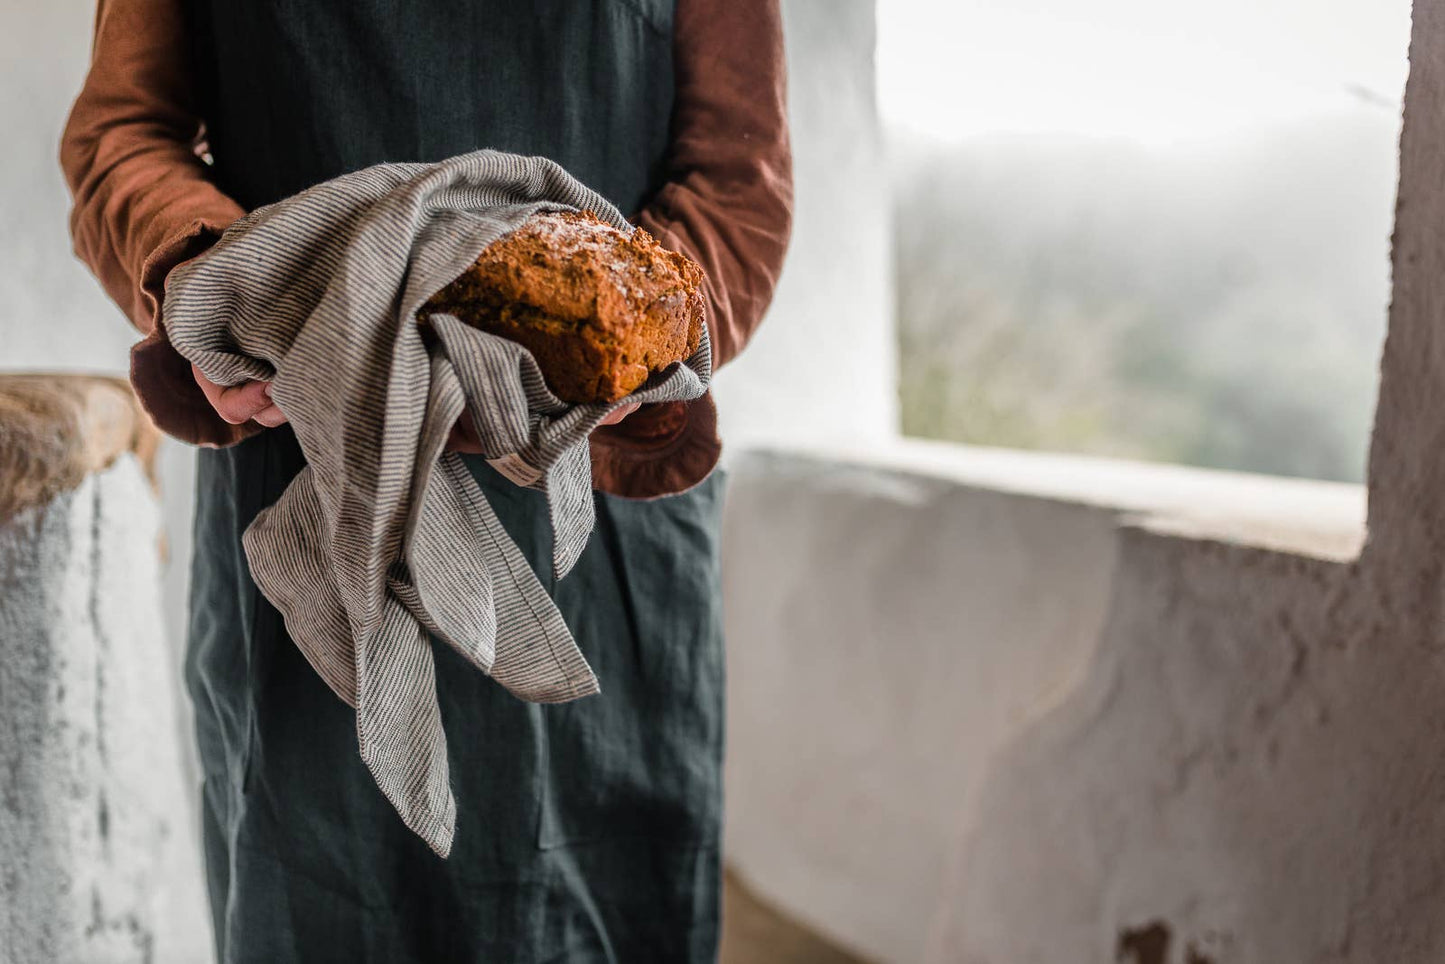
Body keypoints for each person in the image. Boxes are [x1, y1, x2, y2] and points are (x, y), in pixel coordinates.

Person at [60, 0, 792, 960]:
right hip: (310, 474)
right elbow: (123, 133)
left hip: (601, 519)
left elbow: (739, 178)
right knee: (320, 905)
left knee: (607, 906)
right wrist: (215, 278)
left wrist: (637, 334)